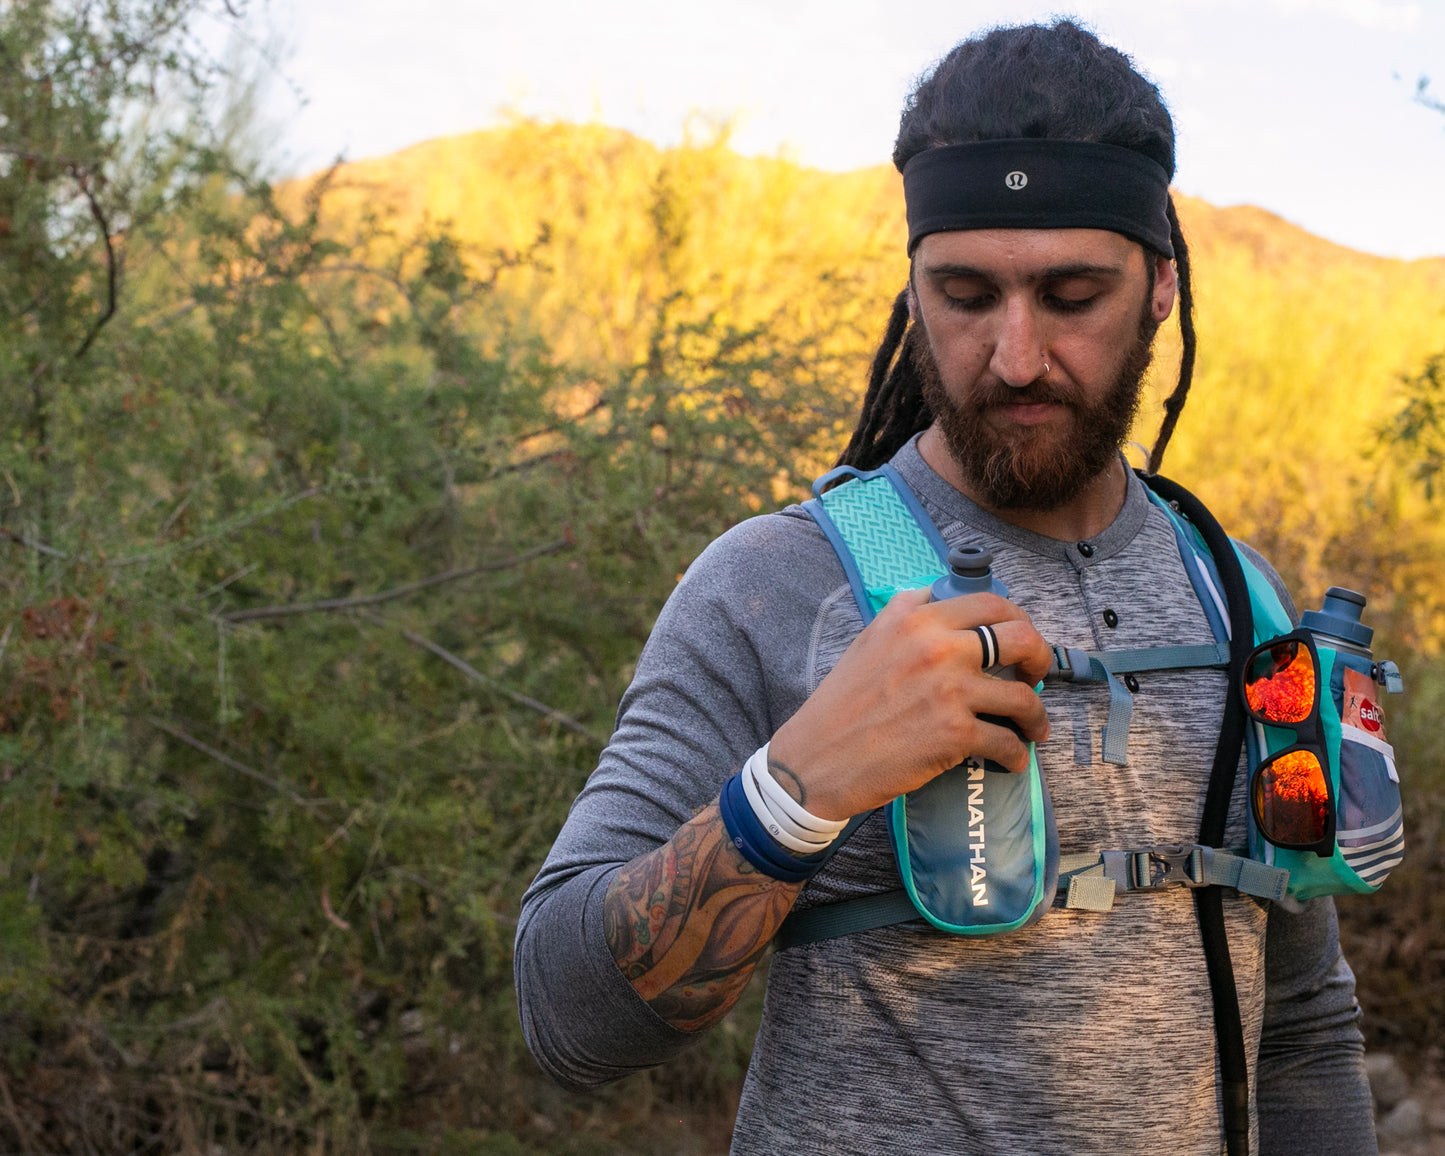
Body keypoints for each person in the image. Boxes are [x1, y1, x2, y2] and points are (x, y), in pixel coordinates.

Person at [514, 20, 1376, 1155]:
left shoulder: (1233, 593)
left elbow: (1301, 1025)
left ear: (1162, 285)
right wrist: (796, 790)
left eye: (1072, 295)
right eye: (965, 294)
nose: (1016, 356)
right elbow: (566, 1019)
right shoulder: (779, 581)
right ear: (912, 294)